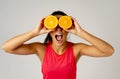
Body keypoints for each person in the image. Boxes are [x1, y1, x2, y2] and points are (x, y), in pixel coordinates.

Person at [2, 11, 114, 79]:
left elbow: (108, 51)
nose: (59, 29)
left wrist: (81, 33)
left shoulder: (76, 49)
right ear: (49, 30)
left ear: (68, 29)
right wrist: (34, 32)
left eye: (62, 25)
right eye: (55, 25)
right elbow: (6, 47)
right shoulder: (41, 49)